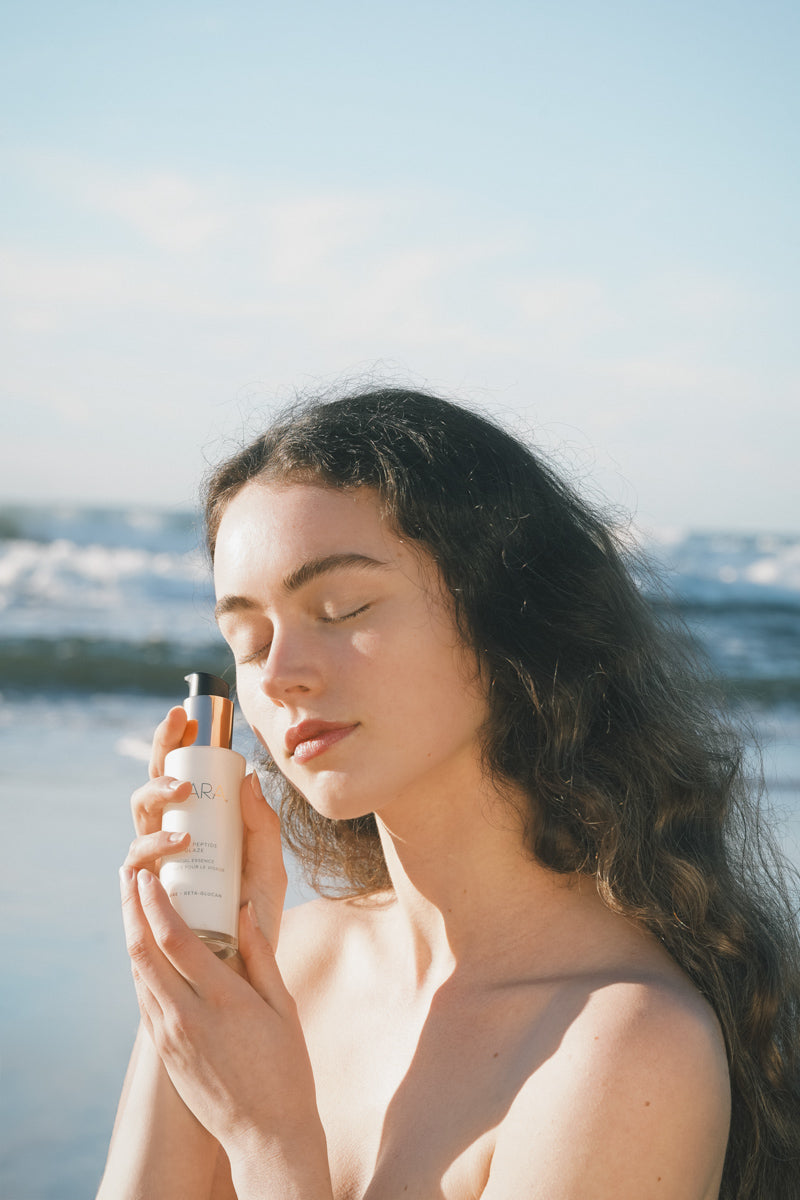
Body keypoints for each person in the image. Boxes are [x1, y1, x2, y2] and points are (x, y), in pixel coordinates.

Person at [98, 387, 800, 1200]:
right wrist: (190, 962)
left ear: (508, 617)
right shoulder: (276, 968)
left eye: (341, 607)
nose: (282, 673)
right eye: (248, 640)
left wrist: (269, 1138)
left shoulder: (625, 1047)